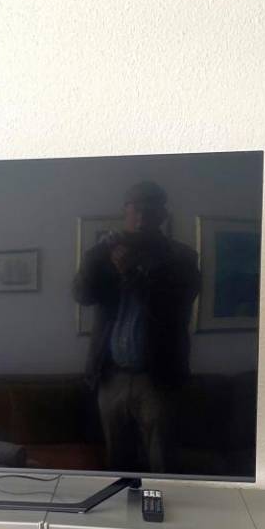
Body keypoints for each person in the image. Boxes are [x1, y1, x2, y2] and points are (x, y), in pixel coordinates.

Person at [73, 181, 200, 472]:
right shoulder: (108, 253)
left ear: (162, 216)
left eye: (149, 211)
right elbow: (82, 295)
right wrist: (98, 252)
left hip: (158, 379)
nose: (141, 218)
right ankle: (123, 504)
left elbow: (174, 304)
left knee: (162, 462)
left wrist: (132, 273)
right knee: (118, 462)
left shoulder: (182, 257)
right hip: (111, 376)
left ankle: (161, 504)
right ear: (125, 212)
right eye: (136, 210)